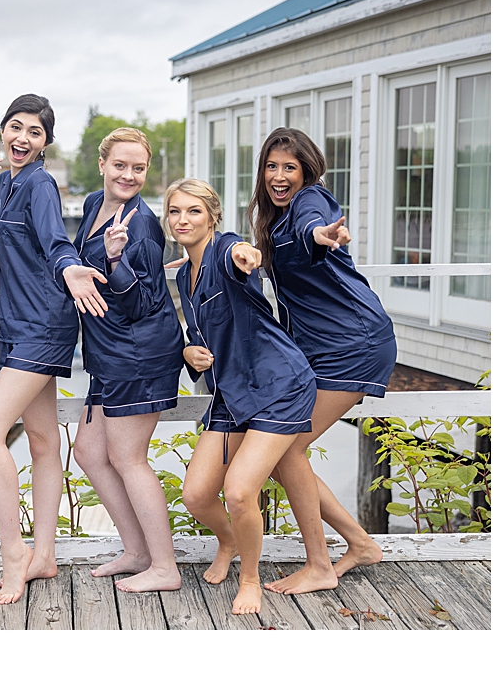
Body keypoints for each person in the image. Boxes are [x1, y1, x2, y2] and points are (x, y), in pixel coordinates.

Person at [0, 94, 109, 605]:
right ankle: (45, 554)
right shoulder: (3, 182)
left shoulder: (41, 184)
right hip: (12, 324)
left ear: (46, 142)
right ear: (4, 131)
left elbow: (53, 242)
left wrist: (70, 267)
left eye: (34, 132)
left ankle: (15, 553)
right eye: (15, 127)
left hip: (43, 326)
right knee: (45, 440)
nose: (22, 138)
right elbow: (3, 239)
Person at [165, 178, 329, 615]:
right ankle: (230, 540)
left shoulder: (226, 251)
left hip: (277, 385)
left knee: (239, 492)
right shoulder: (184, 273)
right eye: (175, 211)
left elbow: (244, 255)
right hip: (232, 395)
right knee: (197, 496)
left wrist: (247, 255)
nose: (183, 219)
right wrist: (187, 351)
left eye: (194, 211)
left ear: (213, 216)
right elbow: (199, 333)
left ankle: (251, 577)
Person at [247, 127, 393, 594]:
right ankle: (359, 544)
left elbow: (314, 227)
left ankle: (321, 565)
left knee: (286, 448)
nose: (279, 175)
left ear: (306, 171)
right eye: (272, 166)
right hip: (320, 347)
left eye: (289, 167)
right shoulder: (273, 221)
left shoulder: (313, 203)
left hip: (354, 341)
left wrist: (321, 235)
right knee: (287, 452)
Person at [70, 128, 185, 593]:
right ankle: (136, 550)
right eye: (121, 165)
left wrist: (116, 261)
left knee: (127, 457)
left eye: (139, 168)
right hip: (108, 352)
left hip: (139, 352)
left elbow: (143, 301)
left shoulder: (140, 223)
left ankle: (165, 566)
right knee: (88, 452)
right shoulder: (95, 203)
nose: (129, 175)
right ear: (102, 164)